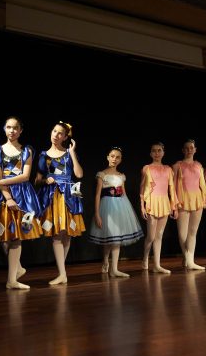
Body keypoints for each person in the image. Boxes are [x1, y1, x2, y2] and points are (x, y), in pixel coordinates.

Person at [0, 116, 42, 289]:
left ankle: (12, 280)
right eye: (9, 127)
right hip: (4, 195)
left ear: (20, 131)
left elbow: (25, 176)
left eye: (15, 128)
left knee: (17, 235)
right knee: (5, 236)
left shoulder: (27, 151)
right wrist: (8, 197)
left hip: (23, 194)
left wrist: (2, 181)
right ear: (4, 129)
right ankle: (16, 269)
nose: (12, 131)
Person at [35, 121, 85, 285]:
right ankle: (62, 274)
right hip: (53, 195)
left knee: (67, 234)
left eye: (60, 133)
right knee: (57, 234)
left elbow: (79, 174)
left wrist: (72, 152)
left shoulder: (69, 154)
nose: (56, 135)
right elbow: (37, 180)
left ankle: (61, 272)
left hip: (69, 195)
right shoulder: (44, 155)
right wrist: (45, 180)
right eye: (54, 131)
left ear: (65, 137)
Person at [88, 146, 144, 278]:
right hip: (107, 206)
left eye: (117, 157)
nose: (114, 159)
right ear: (108, 157)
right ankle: (105, 261)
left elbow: (124, 193)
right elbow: (97, 195)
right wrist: (97, 213)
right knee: (109, 238)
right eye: (112, 156)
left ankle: (114, 269)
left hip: (120, 206)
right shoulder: (102, 174)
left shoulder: (121, 176)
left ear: (121, 160)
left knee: (116, 238)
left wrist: (128, 212)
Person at [140, 142, 178, 274]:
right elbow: (142, 188)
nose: (157, 153)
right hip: (152, 202)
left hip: (164, 202)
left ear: (163, 152)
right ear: (150, 153)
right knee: (151, 236)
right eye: (154, 151)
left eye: (159, 150)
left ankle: (157, 265)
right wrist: (142, 206)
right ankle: (145, 257)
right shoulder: (147, 168)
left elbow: (172, 188)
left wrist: (174, 206)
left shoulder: (168, 169)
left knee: (159, 235)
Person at [173, 139, 206, 270]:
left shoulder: (199, 165)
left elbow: (202, 184)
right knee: (182, 233)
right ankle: (188, 258)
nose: (189, 150)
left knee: (193, 232)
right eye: (186, 148)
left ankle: (189, 260)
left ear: (195, 150)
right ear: (183, 150)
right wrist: (174, 203)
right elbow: (173, 186)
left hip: (197, 199)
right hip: (183, 199)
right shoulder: (178, 165)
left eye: (191, 148)